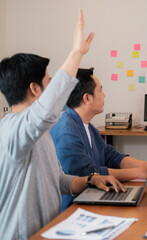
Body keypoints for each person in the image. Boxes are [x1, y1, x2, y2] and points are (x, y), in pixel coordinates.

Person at [0, 10, 125, 239]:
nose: (54, 90)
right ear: (34, 89)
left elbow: (59, 180)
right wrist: (76, 53)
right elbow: (46, 110)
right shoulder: (12, 131)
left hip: (50, 230)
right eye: (49, 82)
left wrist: (91, 180)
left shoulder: (40, 132)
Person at [51, 67, 147, 211]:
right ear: (87, 98)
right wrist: (139, 172)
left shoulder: (88, 127)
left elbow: (111, 156)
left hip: (95, 197)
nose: (104, 95)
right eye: (100, 90)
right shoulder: (66, 129)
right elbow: (87, 173)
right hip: (75, 207)